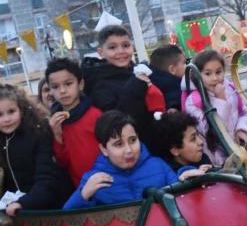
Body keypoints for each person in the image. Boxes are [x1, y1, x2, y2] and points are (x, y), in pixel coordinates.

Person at [63, 111, 206, 209]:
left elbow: (179, 190)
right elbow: (68, 221)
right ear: (104, 149)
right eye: (118, 144)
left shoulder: (158, 166)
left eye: (132, 140)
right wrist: (83, 196)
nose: (129, 150)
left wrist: (187, 175)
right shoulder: (93, 180)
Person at [0, 84, 71, 217]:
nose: (6, 119)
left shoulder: (38, 133)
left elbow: (47, 177)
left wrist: (24, 203)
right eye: (0, 115)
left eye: (11, 111)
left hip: (51, 209)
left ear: (21, 110)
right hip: (16, 211)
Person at [182, 50, 247, 166]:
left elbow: (244, 113)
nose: (215, 78)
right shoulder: (193, 101)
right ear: (198, 75)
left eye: (218, 72)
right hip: (217, 157)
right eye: (208, 74)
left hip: (238, 147)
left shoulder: (230, 88)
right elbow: (215, 130)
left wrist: (242, 129)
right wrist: (221, 99)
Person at [46, 58, 102, 186]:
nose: (62, 91)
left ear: (80, 84)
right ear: (50, 90)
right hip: (80, 189)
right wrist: (57, 135)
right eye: (55, 86)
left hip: (106, 181)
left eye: (68, 83)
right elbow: (63, 163)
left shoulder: (96, 115)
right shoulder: (54, 121)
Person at [118, 44, 186, 148]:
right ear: (172, 69)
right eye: (184, 63)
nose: (187, 66)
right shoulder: (174, 86)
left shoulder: (151, 81)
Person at [82, 25, 134, 111]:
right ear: (101, 52)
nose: (121, 51)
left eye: (126, 45)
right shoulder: (99, 83)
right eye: (112, 47)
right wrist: (137, 87)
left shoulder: (136, 71)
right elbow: (115, 118)